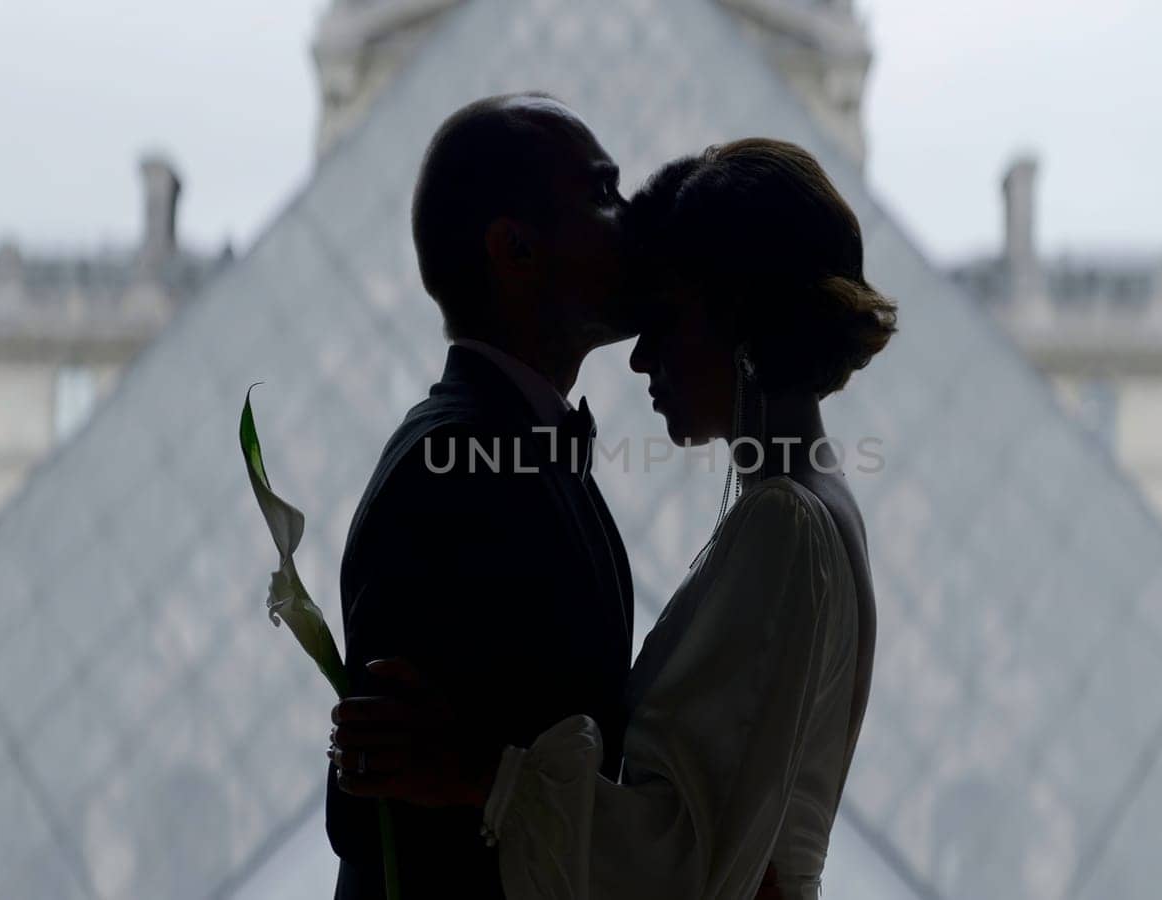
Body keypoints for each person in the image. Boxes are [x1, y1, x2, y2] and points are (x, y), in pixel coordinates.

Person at [331, 138, 897, 899]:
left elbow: (686, 865)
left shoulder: (785, 525)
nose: (640, 359)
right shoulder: (816, 503)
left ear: (738, 317)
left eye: (665, 317)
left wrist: (475, 776)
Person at [325, 92, 638, 899]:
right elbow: (373, 807)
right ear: (516, 249)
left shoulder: (506, 447)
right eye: (603, 195)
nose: (632, 219)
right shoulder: (450, 467)